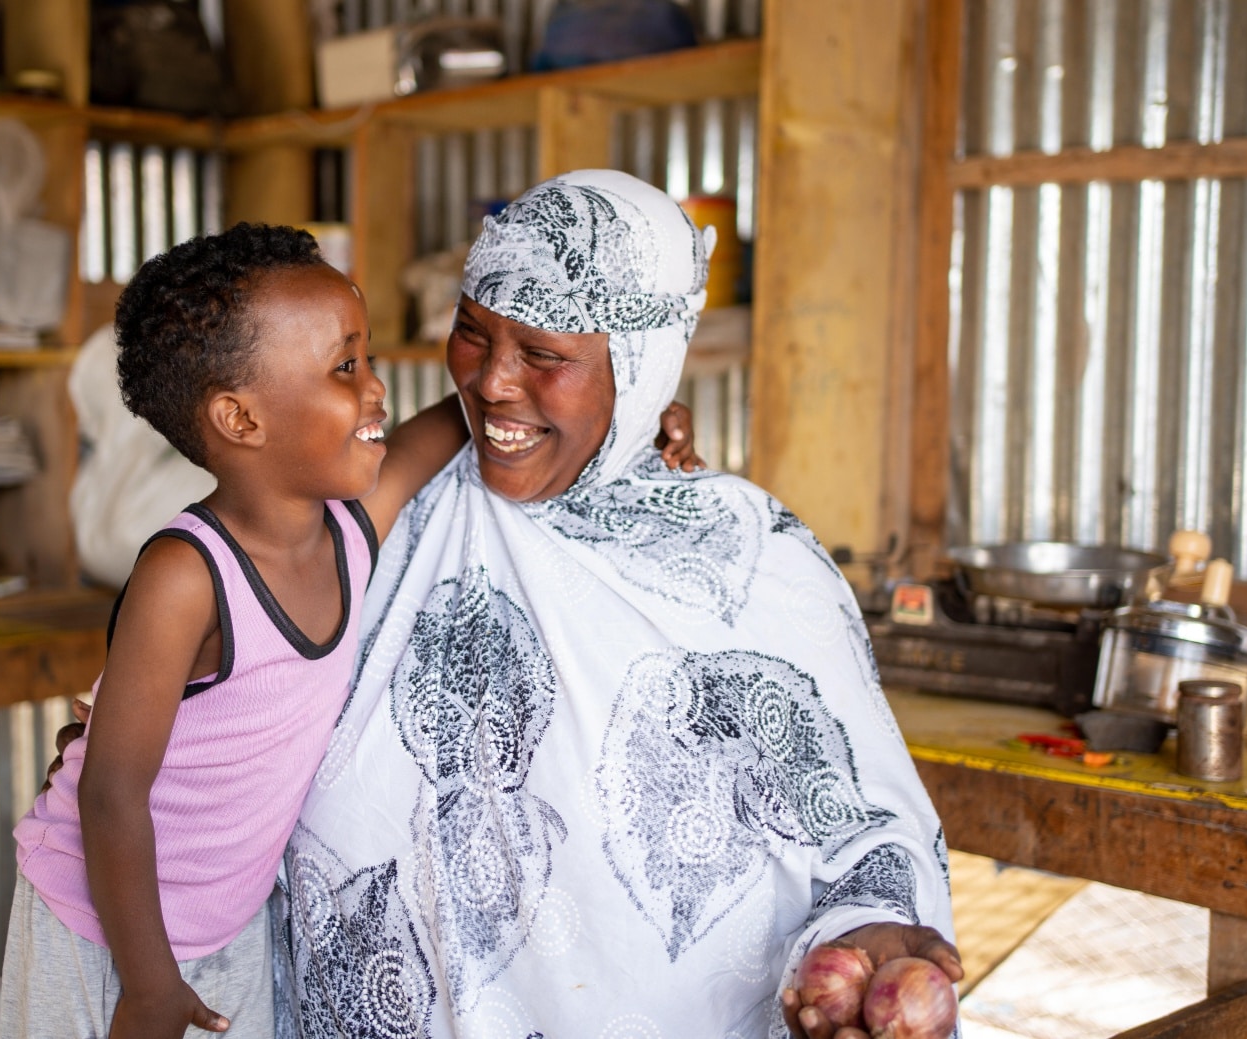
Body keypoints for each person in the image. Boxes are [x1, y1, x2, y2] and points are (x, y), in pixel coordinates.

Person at [271, 169, 962, 1039]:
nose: (491, 383)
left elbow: (861, 835)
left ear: (638, 368)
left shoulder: (754, 565)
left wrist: (864, 945)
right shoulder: (392, 514)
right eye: (473, 335)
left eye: (547, 356)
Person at [9, 223, 700, 1039]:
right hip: (105, 928)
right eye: (346, 367)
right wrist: (152, 983)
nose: (377, 391)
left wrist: (624, 404)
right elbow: (110, 788)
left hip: (227, 923)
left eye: (367, 360)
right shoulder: (186, 577)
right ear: (240, 417)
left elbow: (444, 428)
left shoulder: (346, 531)